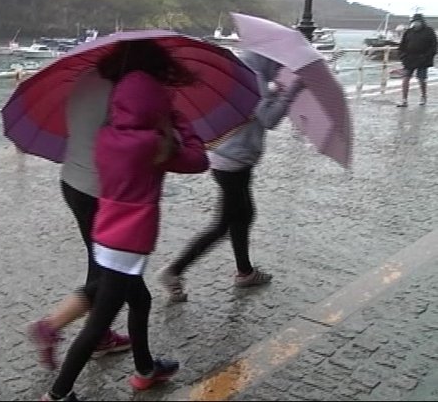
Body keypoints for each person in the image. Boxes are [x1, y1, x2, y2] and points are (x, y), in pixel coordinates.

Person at [41, 40, 210, 401]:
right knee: (98, 323)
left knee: (141, 300)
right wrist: (174, 121)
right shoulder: (156, 146)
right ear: (155, 106)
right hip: (130, 244)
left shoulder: (108, 138)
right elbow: (199, 160)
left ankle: (146, 370)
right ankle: (57, 394)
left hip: (105, 231)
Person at [156, 51, 305, 303]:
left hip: (229, 156)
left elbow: (253, 112)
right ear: (267, 58)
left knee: (244, 214)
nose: (280, 66)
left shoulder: (243, 74)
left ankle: (245, 271)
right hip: (233, 160)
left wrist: (273, 92)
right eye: (277, 62)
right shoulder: (255, 79)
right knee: (225, 222)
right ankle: (173, 271)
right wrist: (292, 90)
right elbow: (268, 120)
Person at [27, 69, 131, 372]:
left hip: (72, 181)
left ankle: (99, 334)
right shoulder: (121, 91)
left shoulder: (84, 80)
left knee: (98, 262)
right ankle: (50, 325)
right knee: (114, 275)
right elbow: (125, 144)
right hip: (98, 190)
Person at [396, 13, 437, 107]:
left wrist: (426, 56)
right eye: (415, 22)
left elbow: (434, 46)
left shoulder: (429, 31)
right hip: (409, 59)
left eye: (418, 22)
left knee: (421, 79)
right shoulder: (408, 32)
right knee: (405, 79)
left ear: (422, 22)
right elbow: (402, 45)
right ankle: (404, 100)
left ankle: (423, 96)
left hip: (423, 59)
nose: (416, 23)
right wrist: (402, 56)